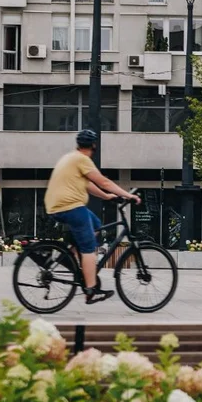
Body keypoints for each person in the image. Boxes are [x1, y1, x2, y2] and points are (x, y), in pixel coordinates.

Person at [45, 129, 139, 304]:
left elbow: (87, 184)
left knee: (95, 224)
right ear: (94, 146)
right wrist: (127, 195)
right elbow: (103, 181)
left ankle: (70, 257)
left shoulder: (70, 157)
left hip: (58, 206)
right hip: (70, 206)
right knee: (88, 247)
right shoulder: (82, 159)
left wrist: (106, 196)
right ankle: (91, 289)